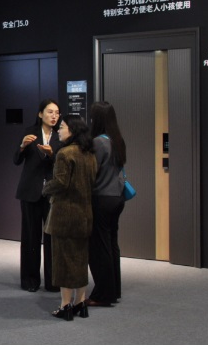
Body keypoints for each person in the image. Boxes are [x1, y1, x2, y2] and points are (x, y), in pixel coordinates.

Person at [42, 115, 96, 321]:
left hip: (65, 216)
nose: (59, 130)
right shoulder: (89, 154)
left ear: (72, 130)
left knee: (63, 261)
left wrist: (45, 187)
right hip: (84, 215)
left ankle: (65, 306)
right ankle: (80, 302)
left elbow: (61, 183)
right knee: (80, 260)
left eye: (62, 127)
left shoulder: (65, 153)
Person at [13, 99, 62, 292]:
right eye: (50, 112)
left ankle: (53, 282)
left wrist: (52, 154)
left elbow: (64, 164)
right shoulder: (30, 132)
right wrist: (22, 146)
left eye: (57, 113)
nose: (54, 116)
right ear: (40, 114)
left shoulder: (60, 135)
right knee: (30, 238)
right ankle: (30, 280)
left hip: (52, 194)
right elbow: (16, 160)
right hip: (30, 192)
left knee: (52, 239)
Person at [86, 101, 127, 307]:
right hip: (117, 198)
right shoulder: (117, 140)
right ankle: (113, 290)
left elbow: (90, 172)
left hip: (101, 198)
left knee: (99, 248)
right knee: (111, 245)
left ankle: (102, 294)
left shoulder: (97, 143)